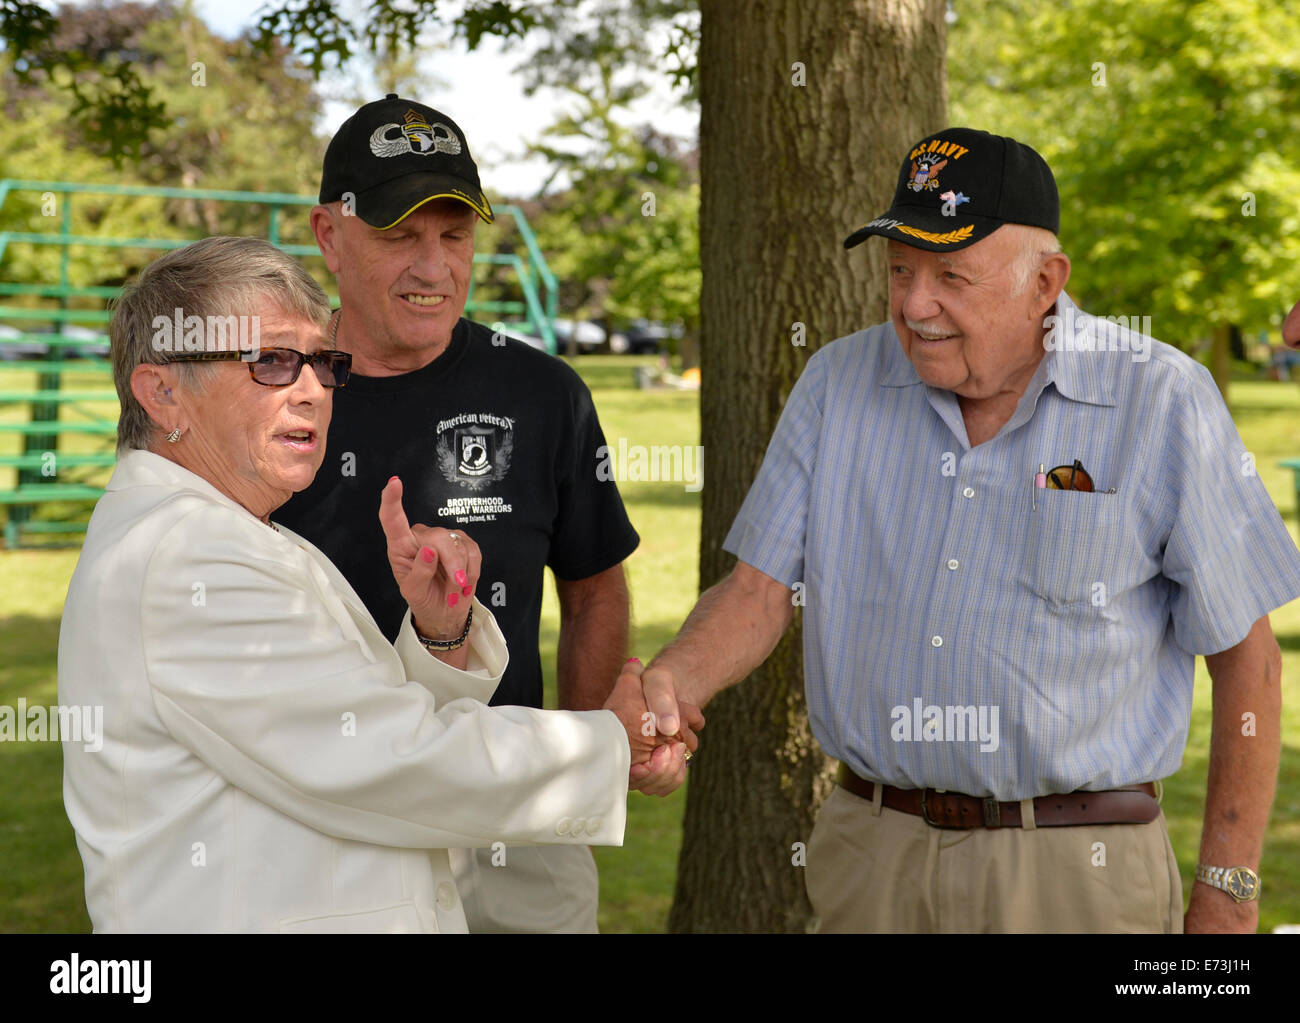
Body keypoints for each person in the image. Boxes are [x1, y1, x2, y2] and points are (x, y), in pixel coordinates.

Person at [634, 127, 1300, 933]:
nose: (915, 304)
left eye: (951, 274)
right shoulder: (837, 383)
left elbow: (1249, 661)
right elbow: (757, 590)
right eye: (901, 270)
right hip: (873, 858)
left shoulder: (1161, 400)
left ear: (1045, 281)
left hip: (1076, 874)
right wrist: (674, 683)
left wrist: (1227, 893)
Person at [58, 236, 691, 933]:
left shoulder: (236, 532)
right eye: (271, 361)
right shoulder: (186, 557)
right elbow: (393, 764)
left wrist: (440, 633)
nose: (310, 390)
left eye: (321, 363)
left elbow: (359, 731)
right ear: (163, 391)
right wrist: (609, 740)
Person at [274, 96, 690, 933]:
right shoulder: (271, 397)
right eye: (400, 235)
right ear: (329, 234)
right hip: (330, 824)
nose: (435, 267)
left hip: (515, 822)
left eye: (455, 235)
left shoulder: (544, 394)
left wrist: (584, 752)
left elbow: (595, 585)